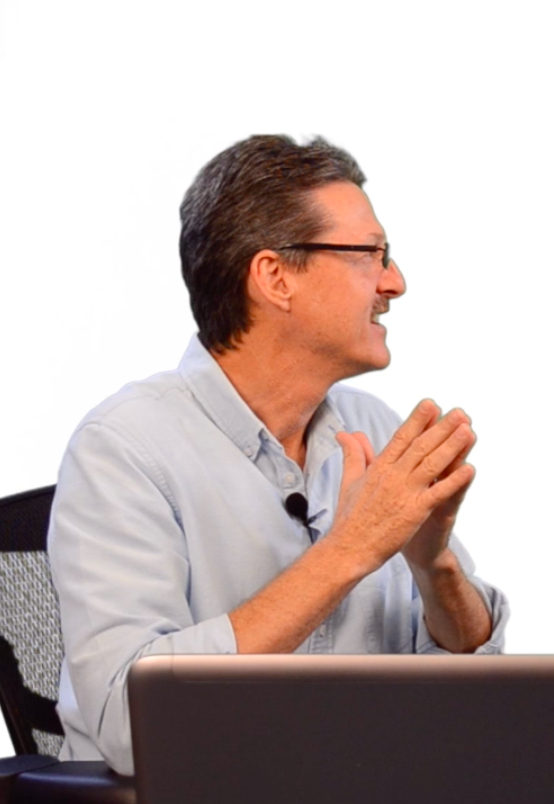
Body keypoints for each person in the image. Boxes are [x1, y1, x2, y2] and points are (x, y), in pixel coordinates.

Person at [47, 135, 510, 776]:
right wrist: (351, 550)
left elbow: (478, 708)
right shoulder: (123, 450)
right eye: (370, 254)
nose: (395, 282)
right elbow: (133, 724)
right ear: (275, 278)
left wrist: (435, 567)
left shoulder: (375, 431)